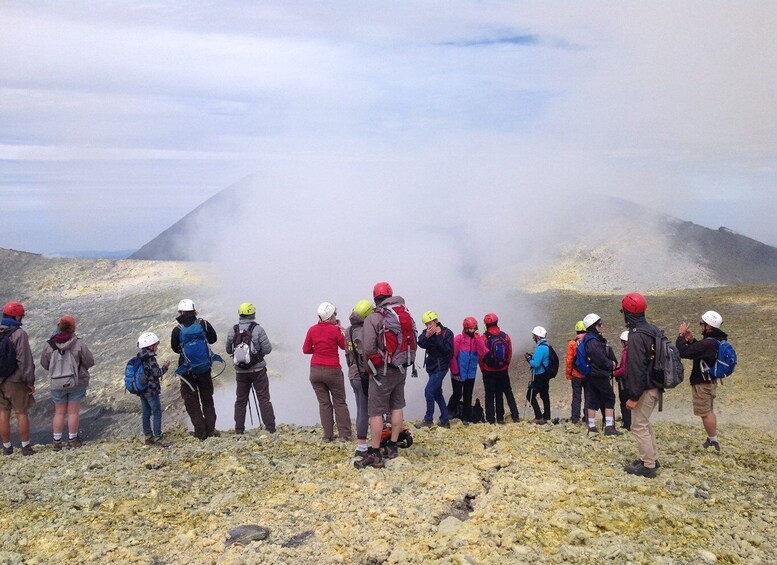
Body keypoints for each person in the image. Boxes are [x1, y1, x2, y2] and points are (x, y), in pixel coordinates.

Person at [355, 282, 413, 469]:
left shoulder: (374, 318)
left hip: (382, 371)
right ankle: (393, 446)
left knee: (376, 412)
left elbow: (368, 347)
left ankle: (375, 452)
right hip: (401, 367)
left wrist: (370, 369)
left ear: (375, 298)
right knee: (397, 406)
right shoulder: (404, 313)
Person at [676, 310, 728, 452]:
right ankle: (712, 438)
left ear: (708, 326)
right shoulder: (714, 341)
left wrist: (681, 335)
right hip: (709, 381)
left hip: (703, 383)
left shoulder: (709, 343)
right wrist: (692, 340)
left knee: (705, 412)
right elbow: (699, 351)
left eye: (702, 324)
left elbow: (683, 352)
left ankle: (713, 440)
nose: (700, 326)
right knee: (709, 410)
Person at [40, 315, 95, 450]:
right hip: (76, 382)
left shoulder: (49, 344)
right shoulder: (78, 343)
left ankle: (57, 442)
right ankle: (72, 439)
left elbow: (45, 364)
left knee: (59, 412)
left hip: (57, 383)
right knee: (73, 412)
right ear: (73, 327)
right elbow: (89, 361)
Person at [621, 292, 661, 478]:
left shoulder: (636, 336)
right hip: (655, 384)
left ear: (628, 313)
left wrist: (633, 396)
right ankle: (650, 458)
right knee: (645, 423)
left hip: (644, 388)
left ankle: (648, 465)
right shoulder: (652, 330)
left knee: (638, 426)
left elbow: (637, 368)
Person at [303, 302, 352, 442]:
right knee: (339, 402)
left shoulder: (312, 330)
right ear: (331, 316)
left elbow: (306, 350)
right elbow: (344, 346)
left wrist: (318, 350)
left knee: (324, 403)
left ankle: (328, 435)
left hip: (315, 370)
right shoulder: (335, 330)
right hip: (333, 370)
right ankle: (345, 435)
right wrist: (340, 330)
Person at [171, 299, 219, 440]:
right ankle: (210, 430)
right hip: (204, 369)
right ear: (194, 310)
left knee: (191, 400)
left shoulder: (177, 330)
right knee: (207, 399)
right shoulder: (203, 324)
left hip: (187, 371)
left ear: (181, 312)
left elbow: (175, 349)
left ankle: (200, 433)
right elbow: (213, 339)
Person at [226, 302, 276, 434]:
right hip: (258, 370)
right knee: (263, 398)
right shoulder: (258, 329)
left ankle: (239, 429)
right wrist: (258, 356)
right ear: (253, 314)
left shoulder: (233, 330)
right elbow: (268, 349)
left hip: (240, 372)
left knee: (241, 400)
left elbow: (228, 350)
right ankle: (270, 428)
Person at [0, 302, 36, 456]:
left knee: (3, 412)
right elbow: (24, 360)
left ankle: (7, 447)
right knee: (21, 412)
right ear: (16, 316)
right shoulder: (19, 334)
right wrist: (30, 381)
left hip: (0, 380)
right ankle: (25, 446)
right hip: (15, 380)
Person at [580, 313, 622, 436]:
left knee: (592, 398)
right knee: (610, 397)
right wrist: (611, 364)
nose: (602, 326)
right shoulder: (593, 341)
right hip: (598, 374)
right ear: (593, 326)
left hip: (591, 374)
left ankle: (591, 427)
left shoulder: (588, 339)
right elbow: (600, 359)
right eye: (599, 324)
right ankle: (609, 427)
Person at [479, 313, 520, 425]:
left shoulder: (484, 338)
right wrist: (505, 365)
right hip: (503, 370)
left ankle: (491, 420)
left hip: (488, 371)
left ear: (486, 324)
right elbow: (509, 353)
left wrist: (484, 369)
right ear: (497, 322)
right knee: (505, 392)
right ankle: (511, 416)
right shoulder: (505, 336)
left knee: (489, 394)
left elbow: (481, 356)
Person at [345, 299, 374, 456]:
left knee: (360, 409)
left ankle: (362, 443)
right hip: (363, 375)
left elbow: (347, 354)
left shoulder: (348, 330)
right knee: (364, 411)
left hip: (352, 374)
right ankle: (362, 446)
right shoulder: (364, 331)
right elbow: (366, 354)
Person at [416, 310, 454, 428]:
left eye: (430, 323)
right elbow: (421, 343)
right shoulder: (427, 332)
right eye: (426, 324)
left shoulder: (447, 333)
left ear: (436, 321)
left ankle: (428, 419)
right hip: (432, 366)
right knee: (437, 393)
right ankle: (445, 419)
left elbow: (447, 350)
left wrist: (437, 337)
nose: (428, 326)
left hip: (441, 366)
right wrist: (427, 336)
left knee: (429, 390)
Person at [448, 317, 488, 423]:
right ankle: (449, 412)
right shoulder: (458, 339)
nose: (472, 330)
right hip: (458, 372)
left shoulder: (477, 339)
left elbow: (483, 352)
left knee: (468, 395)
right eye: (470, 328)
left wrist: (478, 338)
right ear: (465, 328)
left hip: (471, 373)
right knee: (457, 394)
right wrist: (455, 372)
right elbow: (452, 356)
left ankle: (466, 418)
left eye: (474, 328)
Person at [135, 331, 170, 445]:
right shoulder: (151, 358)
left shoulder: (139, 357)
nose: (157, 347)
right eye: (156, 345)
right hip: (152, 390)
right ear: (151, 345)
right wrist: (165, 367)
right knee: (156, 412)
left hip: (142, 390)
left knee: (146, 412)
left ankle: (148, 435)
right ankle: (158, 435)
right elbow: (157, 373)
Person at [525, 326, 551, 424]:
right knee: (545, 395)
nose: (533, 338)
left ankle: (539, 417)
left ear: (537, 336)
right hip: (545, 375)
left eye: (534, 336)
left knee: (530, 395)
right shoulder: (546, 346)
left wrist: (529, 359)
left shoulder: (541, 348)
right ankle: (547, 416)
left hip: (539, 375)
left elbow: (535, 364)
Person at [565, 321, 587, 425]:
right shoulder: (590, 341)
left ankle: (575, 419)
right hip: (588, 374)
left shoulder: (572, 343)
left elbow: (569, 360)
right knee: (589, 396)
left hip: (576, 374)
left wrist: (568, 374)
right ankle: (588, 417)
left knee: (576, 397)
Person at [612, 330, 632, 431]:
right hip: (634, 381)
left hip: (625, 382)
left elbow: (623, 369)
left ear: (624, 342)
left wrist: (614, 373)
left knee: (624, 402)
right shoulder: (636, 351)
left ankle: (627, 424)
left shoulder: (625, 352)